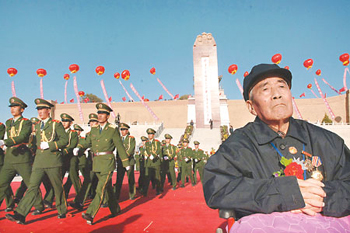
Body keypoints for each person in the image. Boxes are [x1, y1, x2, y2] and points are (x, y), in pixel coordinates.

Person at [203, 64, 350, 231]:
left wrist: (320, 197)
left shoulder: (327, 141)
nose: (277, 95)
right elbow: (218, 188)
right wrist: (284, 193)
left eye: (282, 86)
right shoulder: (238, 146)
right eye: (265, 89)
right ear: (251, 107)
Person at [6, 98, 68, 224]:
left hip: (53, 160)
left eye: (42, 109)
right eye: (38, 109)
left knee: (57, 187)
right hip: (39, 160)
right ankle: (21, 213)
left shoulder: (56, 124)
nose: (40, 112)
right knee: (32, 187)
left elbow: (65, 140)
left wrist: (50, 145)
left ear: (48, 110)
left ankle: (62, 210)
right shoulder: (38, 125)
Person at [75, 103, 130, 225]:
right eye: (99, 113)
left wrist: (125, 162)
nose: (100, 116)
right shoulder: (94, 129)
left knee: (100, 189)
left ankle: (90, 213)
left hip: (107, 162)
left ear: (108, 116)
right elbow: (87, 142)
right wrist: (79, 147)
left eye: (102, 114)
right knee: (107, 188)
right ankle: (115, 209)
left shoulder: (112, 130)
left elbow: (119, 146)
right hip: (97, 163)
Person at [0, 97, 44, 216]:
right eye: (11, 107)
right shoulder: (9, 122)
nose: (13, 109)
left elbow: (23, 136)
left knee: (30, 183)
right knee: (2, 183)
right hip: (9, 157)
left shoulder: (26, 122)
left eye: (15, 107)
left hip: (22, 157)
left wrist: (5, 142)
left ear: (22, 109)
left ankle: (39, 205)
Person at [114, 123, 136, 200]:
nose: (122, 131)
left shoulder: (131, 138)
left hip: (129, 161)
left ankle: (132, 194)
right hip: (120, 161)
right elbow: (117, 150)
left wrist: (124, 157)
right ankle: (116, 195)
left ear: (127, 130)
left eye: (124, 130)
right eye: (121, 130)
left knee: (130, 178)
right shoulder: (119, 138)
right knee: (119, 179)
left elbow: (130, 149)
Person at [143, 128, 161, 196]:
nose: (150, 136)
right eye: (149, 134)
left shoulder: (157, 142)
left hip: (155, 161)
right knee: (147, 177)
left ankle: (158, 190)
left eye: (151, 134)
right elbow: (147, 150)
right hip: (149, 162)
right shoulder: (147, 143)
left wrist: (153, 155)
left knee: (157, 177)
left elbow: (158, 149)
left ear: (153, 135)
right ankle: (145, 191)